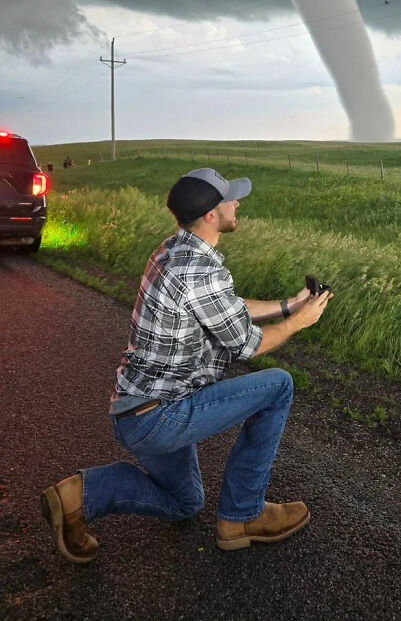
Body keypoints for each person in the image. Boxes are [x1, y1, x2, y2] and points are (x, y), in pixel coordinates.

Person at [41, 167, 332, 563]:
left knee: (185, 502)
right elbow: (249, 343)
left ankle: (78, 496)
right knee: (278, 385)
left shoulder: (174, 250)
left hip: (135, 410)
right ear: (212, 214)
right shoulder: (199, 269)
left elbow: (223, 308)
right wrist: (301, 321)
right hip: (160, 417)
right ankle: (242, 515)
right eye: (230, 198)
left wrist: (287, 306)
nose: (237, 203)